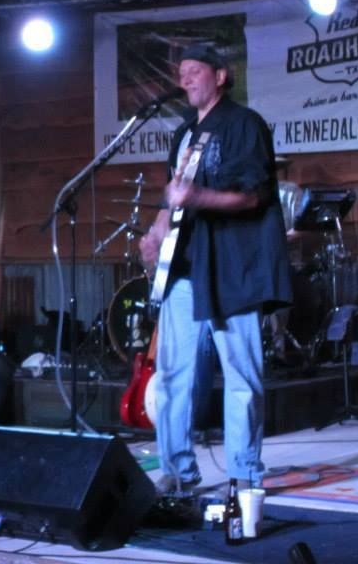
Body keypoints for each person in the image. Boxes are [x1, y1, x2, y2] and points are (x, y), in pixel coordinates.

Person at [139, 45, 292, 496]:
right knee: (171, 377)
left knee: (241, 376)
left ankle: (244, 474)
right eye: (181, 72)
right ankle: (177, 472)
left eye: (194, 71)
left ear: (221, 76)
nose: (185, 79)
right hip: (185, 269)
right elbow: (175, 199)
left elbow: (254, 196)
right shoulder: (183, 135)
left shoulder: (244, 124)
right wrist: (154, 232)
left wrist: (199, 198)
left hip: (232, 268)